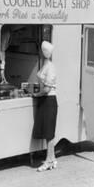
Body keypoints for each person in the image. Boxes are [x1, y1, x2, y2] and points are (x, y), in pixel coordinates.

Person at [32, 40, 58, 171]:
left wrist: (37, 94)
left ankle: (49, 161)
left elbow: (47, 89)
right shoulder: (45, 65)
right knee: (48, 131)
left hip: (49, 100)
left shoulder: (50, 67)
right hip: (46, 100)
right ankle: (52, 159)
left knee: (49, 132)